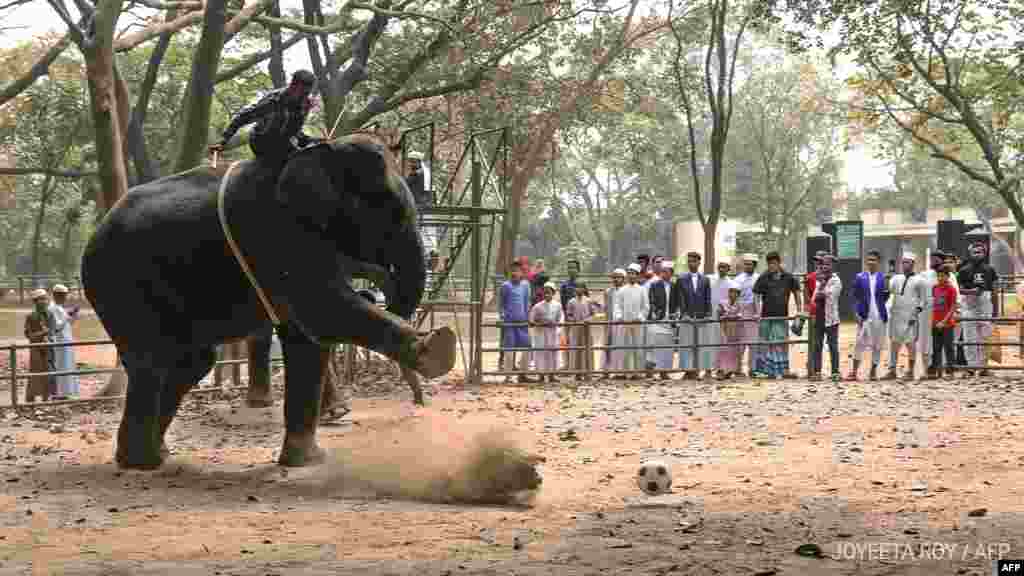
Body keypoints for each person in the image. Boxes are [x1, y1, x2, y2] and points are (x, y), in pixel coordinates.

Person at [209, 70, 320, 167]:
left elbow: (293, 132)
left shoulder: (304, 104)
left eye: (308, 93)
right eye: (303, 93)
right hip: (262, 141)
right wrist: (223, 141)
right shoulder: (273, 101)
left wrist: (313, 141)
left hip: (283, 143)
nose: (305, 97)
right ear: (293, 86)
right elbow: (243, 117)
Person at [752, 251, 802, 379]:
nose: (771, 266)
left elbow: (797, 293)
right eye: (769, 264)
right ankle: (764, 371)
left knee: (780, 342)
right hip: (766, 316)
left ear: (779, 263)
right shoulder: (763, 277)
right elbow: (756, 296)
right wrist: (757, 312)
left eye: (774, 263)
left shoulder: (789, 277)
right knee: (764, 343)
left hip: (781, 316)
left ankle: (783, 370)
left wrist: (799, 311)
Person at [884, 253, 926, 380]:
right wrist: (887, 278)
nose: (905, 265)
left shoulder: (920, 280)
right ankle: (892, 370)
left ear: (913, 264)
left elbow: (923, 300)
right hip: (896, 315)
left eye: (907, 262)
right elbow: (888, 291)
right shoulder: (896, 278)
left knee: (910, 344)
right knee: (894, 344)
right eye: (903, 262)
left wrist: (916, 313)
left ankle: (911, 371)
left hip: (910, 316)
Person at [958, 242, 998, 376]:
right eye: (975, 252)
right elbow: (959, 290)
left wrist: (995, 311)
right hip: (969, 306)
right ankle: (971, 367)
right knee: (970, 338)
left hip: (985, 305)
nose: (977, 254)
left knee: (985, 338)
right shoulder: (963, 270)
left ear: (984, 253)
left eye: (980, 252)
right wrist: (971, 292)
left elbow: (994, 291)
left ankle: (983, 367)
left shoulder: (990, 270)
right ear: (970, 253)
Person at [850, 250, 889, 381]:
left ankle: (873, 372)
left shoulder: (883, 278)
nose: (870, 262)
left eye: (873, 260)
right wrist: (856, 312)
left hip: (879, 317)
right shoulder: (860, 277)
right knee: (859, 343)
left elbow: (886, 297)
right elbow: (854, 297)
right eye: (868, 260)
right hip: (864, 317)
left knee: (877, 345)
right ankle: (854, 372)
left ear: (878, 262)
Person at [673, 252, 712, 379]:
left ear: (699, 263)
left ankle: (697, 369)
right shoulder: (681, 278)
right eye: (689, 261)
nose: (691, 264)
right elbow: (680, 298)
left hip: (701, 317)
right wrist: (684, 314)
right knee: (686, 344)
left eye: (694, 261)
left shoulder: (705, 279)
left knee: (700, 344)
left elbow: (708, 299)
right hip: (687, 317)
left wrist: (707, 315)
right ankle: (688, 371)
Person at [499, 262, 532, 383]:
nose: (514, 273)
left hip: (522, 322)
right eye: (512, 271)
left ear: (521, 273)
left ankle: (523, 374)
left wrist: (528, 317)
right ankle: (508, 376)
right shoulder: (505, 286)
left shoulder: (525, 285)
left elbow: (527, 302)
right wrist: (502, 316)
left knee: (527, 347)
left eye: (517, 271)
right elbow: (501, 304)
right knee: (509, 349)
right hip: (509, 322)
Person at [811, 255, 842, 382]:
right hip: (819, 317)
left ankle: (835, 372)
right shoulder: (819, 280)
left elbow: (830, 295)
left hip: (831, 319)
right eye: (823, 264)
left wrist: (822, 291)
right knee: (817, 345)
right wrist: (822, 288)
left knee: (833, 346)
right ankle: (817, 372)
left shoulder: (836, 280)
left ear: (832, 266)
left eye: (828, 264)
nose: (825, 266)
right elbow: (815, 297)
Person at [615, 263, 650, 379]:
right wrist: (620, 317)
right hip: (624, 323)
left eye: (633, 273)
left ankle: (638, 372)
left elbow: (646, 306)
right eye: (629, 273)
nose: (631, 275)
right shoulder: (621, 290)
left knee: (638, 348)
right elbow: (617, 306)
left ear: (638, 275)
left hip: (638, 324)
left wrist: (639, 318)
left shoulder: (642, 290)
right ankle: (625, 372)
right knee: (624, 348)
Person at [23, 289, 54, 402]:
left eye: (45, 299)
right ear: (36, 302)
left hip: (47, 347)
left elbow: (53, 331)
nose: (45, 301)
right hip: (36, 348)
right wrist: (42, 333)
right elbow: (29, 335)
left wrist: (49, 337)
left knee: (47, 371)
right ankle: (31, 396)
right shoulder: (31, 316)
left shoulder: (49, 314)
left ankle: (46, 397)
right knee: (35, 372)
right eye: (42, 299)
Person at [48, 284, 78, 399]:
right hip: (59, 341)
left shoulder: (59, 307)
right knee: (61, 366)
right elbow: (57, 326)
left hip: (66, 340)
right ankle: (59, 393)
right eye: (64, 296)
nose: (66, 298)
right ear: (57, 295)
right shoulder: (52, 308)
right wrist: (67, 316)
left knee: (67, 366)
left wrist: (73, 315)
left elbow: (68, 323)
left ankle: (66, 392)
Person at [646, 262, 676, 380]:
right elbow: (651, 301)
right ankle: (650, 371)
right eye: (663, 271)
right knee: (654, 345)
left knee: (668, 347)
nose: (664, 273)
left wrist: (675, 314)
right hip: (657, 320)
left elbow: (677, 301)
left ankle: (664, 372)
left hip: (670, 320)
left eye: (667, 271)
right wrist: (654, 313)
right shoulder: (654, 285)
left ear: (671, 273)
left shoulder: (674, 286)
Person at [529, 282, 563, 382]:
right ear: (543, 294)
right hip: (540, 333)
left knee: (552, 353)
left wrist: (556, 325)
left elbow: (561, 319)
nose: (547, 294)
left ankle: (552, 375)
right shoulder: (537, 306)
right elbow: (531, 320)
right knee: (541, 353)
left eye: (549, 292)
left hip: (552, 333)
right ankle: (541, 375)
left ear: (553, 293)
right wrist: (538, 323)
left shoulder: (558, 305)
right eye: (545, 292)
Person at [929, 268, 958, 378]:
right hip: (935, 322)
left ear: (947, 276)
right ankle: (936, 369)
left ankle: (950, 371)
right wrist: (934, 320)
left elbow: (952, 306)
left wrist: (944, 321)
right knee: (936, 347)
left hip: (947, 323)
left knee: (948, 347)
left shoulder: (951, 289)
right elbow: (933, 304)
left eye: (943, 276)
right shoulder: (935, 288)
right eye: (939, 276)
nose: (940, 278)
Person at [734, 254, 760, 375]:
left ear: (755, 265)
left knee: (754, 343)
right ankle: (737, 369)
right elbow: (734, 296)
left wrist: (758, 311)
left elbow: (761, 297)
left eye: (750, 264)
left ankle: (753, 369)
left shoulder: (759, 278)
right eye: (746, 264)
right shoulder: (738, 279)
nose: (747, 266)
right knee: (740, 342)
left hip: (754, 311)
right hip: (741, 311)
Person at [804, 251, 828, 375]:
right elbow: (806, 296)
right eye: (816, 261)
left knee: (831, 344)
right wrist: (808, 310)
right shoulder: (810, 277)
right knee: (815, 343)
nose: (817, 264)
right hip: (814, 314)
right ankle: (814, 368)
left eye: (820, 261)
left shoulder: (831, 277)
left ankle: (833, 371)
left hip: (828, 314)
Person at [566, 282, 596, 378]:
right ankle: (577, 372)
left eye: (581, 287)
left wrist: (588, 320)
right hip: (575, 329)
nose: (578, 289)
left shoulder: (588, 300)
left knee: (586, 348)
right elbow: (568, 314)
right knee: (576, 349)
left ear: (584, 289)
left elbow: (593, 314)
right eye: (577, 287)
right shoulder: (571, 301)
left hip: (586, 329)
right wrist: (572, 319)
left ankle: (588, 371)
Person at [707, 261, 732, 375]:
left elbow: (732, 300)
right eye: (720, 267)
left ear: (728, 269)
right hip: (709, 316)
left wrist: (724, 309)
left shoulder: (731, 283)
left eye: (724, 267)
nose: (721, 269)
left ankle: (721, 369)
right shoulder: (710, 279)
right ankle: (708, 370)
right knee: (708, 342)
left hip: (723, 317)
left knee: (722, 343)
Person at [716, 281, 743, 380]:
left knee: (734, 350)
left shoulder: (740, 304)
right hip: (724, 329)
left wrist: (733, 316)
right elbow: (719, 314)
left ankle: (730, 370)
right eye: (731, 292)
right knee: (723, 349)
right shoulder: (722, 303)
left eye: (735, 292)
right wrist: (725, 316)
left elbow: (740, 315)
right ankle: (721, 370)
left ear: (738, 294)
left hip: (735, 330)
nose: (733, 294)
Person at [603, 268, 627, 379]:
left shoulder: (627, 291)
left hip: (622, 324)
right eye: (614, 277)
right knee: (608, 347)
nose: (616, 279)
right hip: (610, 323)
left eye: (619, 277)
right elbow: (606, 308)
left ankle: (620, 372)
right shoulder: (608, 292)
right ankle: (606, 371)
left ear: (623, 279)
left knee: (621, 348)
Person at [560, 260, 581, 368]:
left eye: (573, 267)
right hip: (568, 318)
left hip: (581, 318)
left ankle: (579, 365)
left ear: (578, 270)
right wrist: (567, 316)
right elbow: (563, 302)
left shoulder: (582, 284)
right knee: (567, 340)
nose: (571, 270)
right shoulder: (564, 285)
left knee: (579, 341)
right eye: (569, 268)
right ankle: (567, 365)